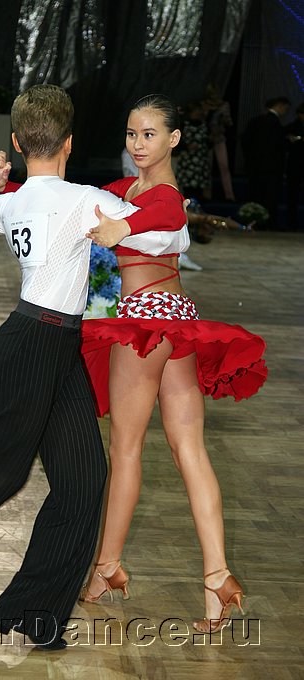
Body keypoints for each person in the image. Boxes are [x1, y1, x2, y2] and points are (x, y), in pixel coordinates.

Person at [0, 84, 181, 651]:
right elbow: (174, 230)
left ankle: (34, 613)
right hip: (33, 346)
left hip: (49, 344)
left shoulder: (13, 202)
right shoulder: (82, 199)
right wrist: (129, 226)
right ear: (69, 143)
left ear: (18, 144)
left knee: (84, 481)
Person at [79, 94, 267, 633]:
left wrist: (124, 230)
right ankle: (217, 579)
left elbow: (167, 213)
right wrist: (9, 188)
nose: (138, 144)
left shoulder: (163, 195)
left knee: (126, 450)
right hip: (177, 319)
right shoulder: (125, 190)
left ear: (174, 138)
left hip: (145, 323)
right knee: (190, 451)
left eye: (150, 134)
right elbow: (70, 198)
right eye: (132, 134)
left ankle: (106, 568)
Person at [241, 96, 291, 229]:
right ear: (280, 106)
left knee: (256, 194)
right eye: (285, 109)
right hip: (272, 168)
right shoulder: (275, 124)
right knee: (270, 197)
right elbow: (278, 146)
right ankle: (267, 223)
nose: (285, 112)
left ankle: (253, 222)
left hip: (255, 166)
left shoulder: (256, 121)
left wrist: (250, 159)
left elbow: (245, 141)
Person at [284, 102, 304, 231]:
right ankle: (292, 224)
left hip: (296, 163)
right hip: (295, 165)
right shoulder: (291, 127)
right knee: (293, 196)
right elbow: (285, 143)